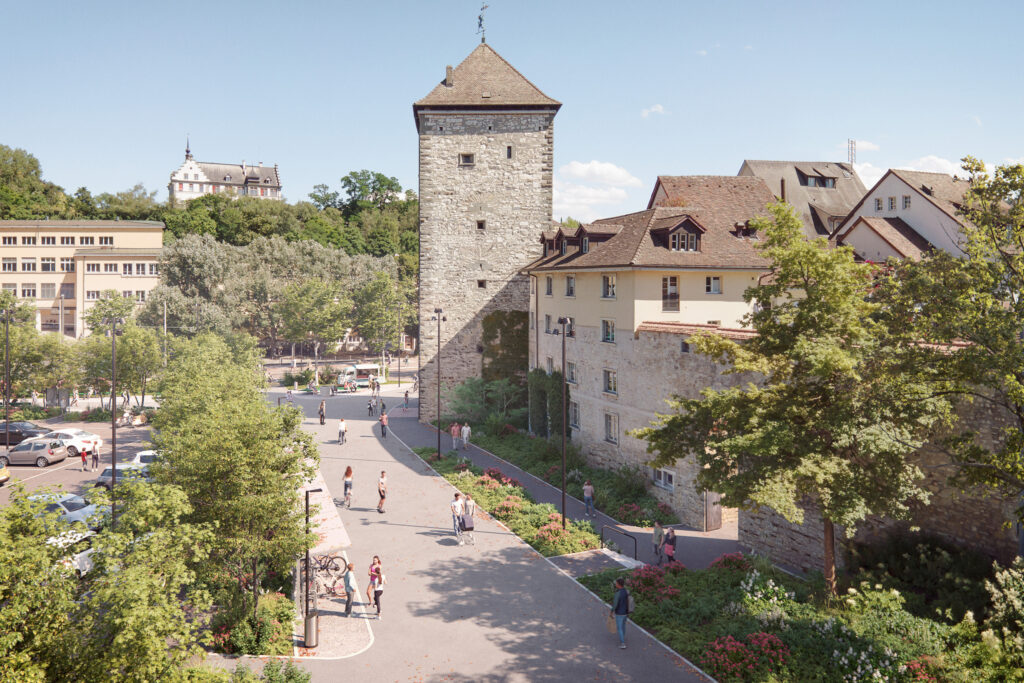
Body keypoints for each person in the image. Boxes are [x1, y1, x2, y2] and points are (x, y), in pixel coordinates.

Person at [610, 577, 630, 649]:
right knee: (623, 626)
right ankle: (623, 638)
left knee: (619, 628)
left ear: (618, 584)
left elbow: (615, 604)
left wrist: (611, 612)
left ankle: (622, 643)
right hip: (625, 612)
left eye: (616, 583)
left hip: (619, 613)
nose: (615, 584)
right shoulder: (626, 591)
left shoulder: (618, 593)